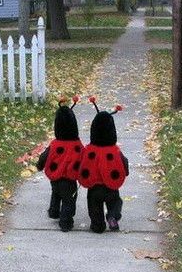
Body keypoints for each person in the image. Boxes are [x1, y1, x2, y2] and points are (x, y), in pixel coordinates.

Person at [78, 97, 129, 233]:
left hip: (94, 188)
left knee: (94, 207)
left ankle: (98, 225)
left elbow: (81, 163)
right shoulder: (115, 151)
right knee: (116, 202)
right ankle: (113, 216)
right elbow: (124, 162)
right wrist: (126, 171)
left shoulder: (89, 150)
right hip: (111, 187)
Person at [36, 96, 83, 232]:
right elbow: (84, 157)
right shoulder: (77, 145)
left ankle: (54, 211)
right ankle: (66, 222)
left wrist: (39, 165)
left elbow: (45, 156)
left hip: (55, 178)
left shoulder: (55, 144)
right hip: (69, 180)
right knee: (69, 200)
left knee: (56, 193)